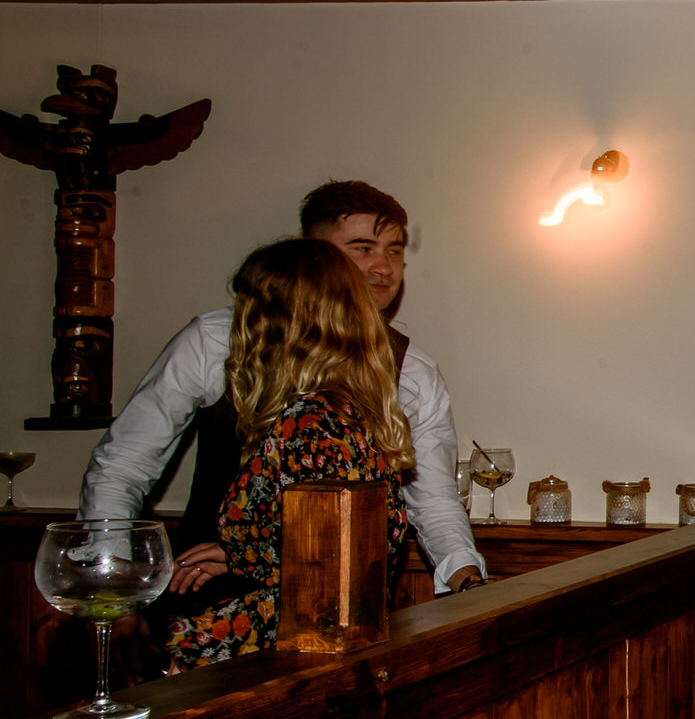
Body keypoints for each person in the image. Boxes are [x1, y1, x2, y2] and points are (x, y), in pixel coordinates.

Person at [80, 181, 485, 603]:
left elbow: (433, 499)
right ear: (312, 253)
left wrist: (468, 582)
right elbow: (124, 464)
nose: (384, 267)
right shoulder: (217, 339)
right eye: (363, 248)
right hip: (212, 602)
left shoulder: (412, 369)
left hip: (347, 605)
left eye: (394, 250)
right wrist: (111, 585)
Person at [166, 237, 412, 668]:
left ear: (270, 321)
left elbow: (330, 590)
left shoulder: (309, 422)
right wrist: (243, 555)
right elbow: (333, 541)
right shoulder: (340, 410)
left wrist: (188, 640)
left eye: (246, 304)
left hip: (297, 659)